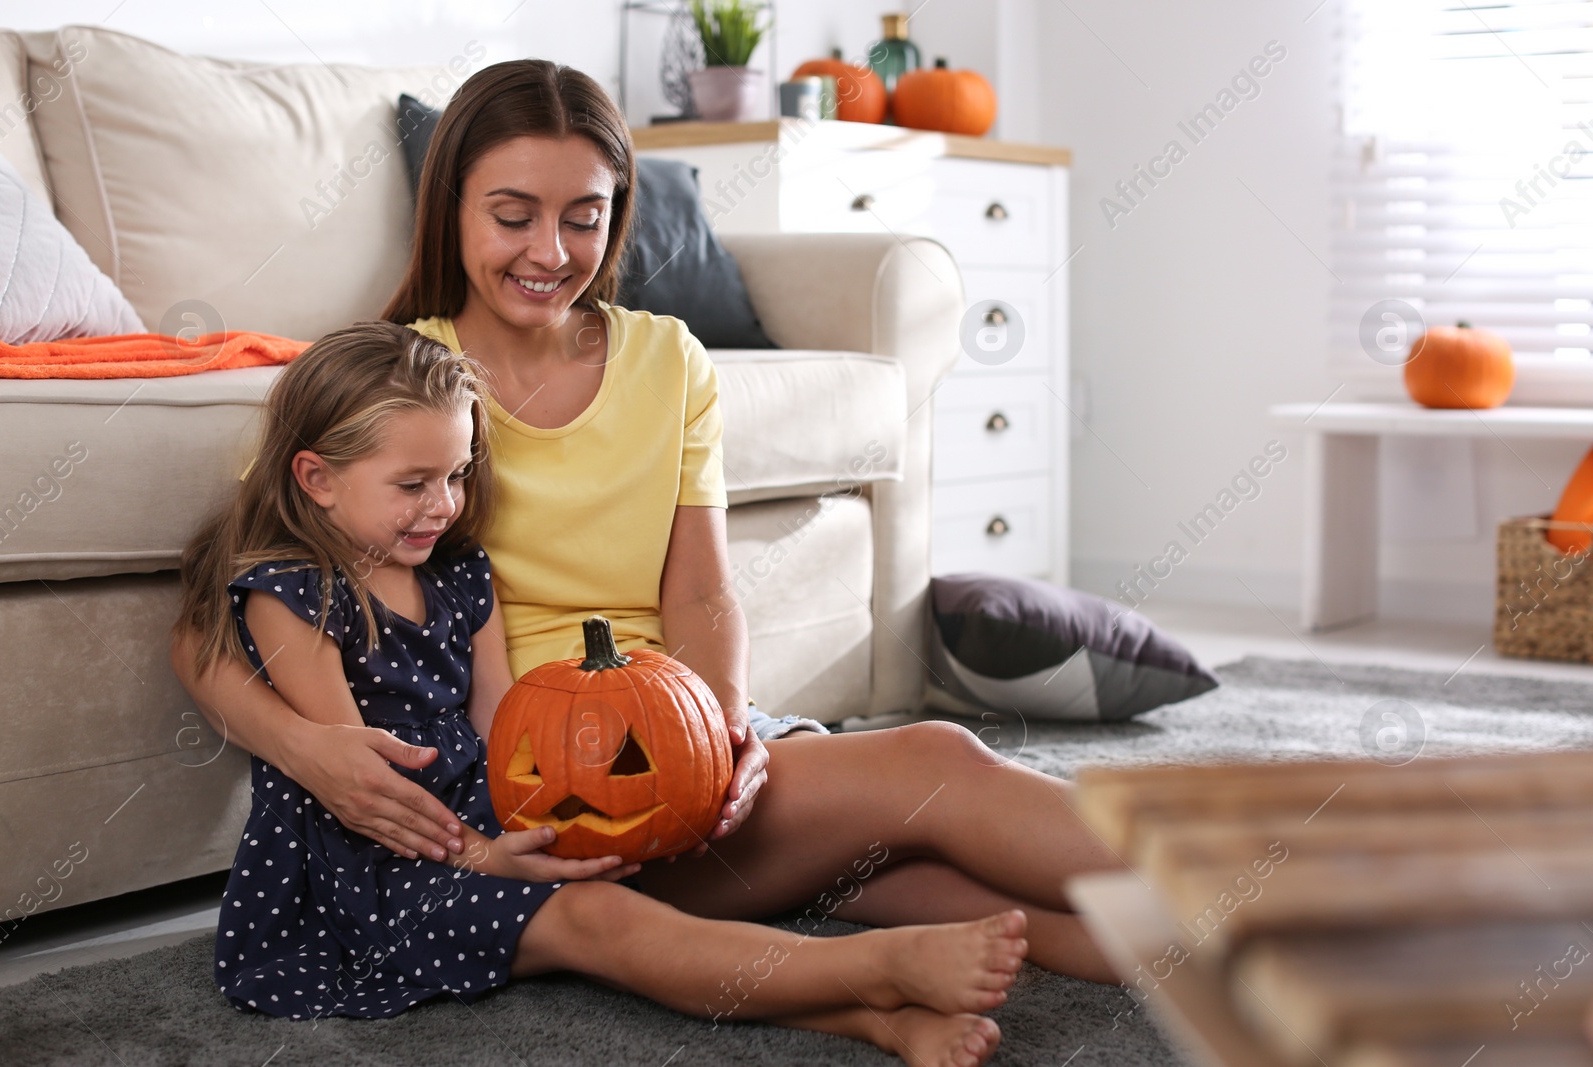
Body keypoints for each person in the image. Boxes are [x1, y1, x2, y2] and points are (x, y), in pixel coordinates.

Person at [169, 57, 1122, 1056]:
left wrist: (726, 729)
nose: (549, 250)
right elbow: (213, 612)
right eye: (512, 214)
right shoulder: (394, 383)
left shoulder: (668, 358)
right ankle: (1237, 881)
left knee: (940, 871)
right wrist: (306, 749)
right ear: (450, 207)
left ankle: (1221, 934)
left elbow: (703, 589)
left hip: (678, 728)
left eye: (583, 215)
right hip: (549, 779)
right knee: (931, 764)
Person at [173, 320, 1028, 1064]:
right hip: (370, 875)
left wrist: (550, 822)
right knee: (600, 925)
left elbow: (503, 729)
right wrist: (485, 859)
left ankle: (883, 1024)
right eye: (413, 484)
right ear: (316, 478)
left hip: (472, 820)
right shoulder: (295, 594)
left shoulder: (462, 571)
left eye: (458, 474)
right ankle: (879, 968)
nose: (444, 504)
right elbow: (365, 797)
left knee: (637, 882)